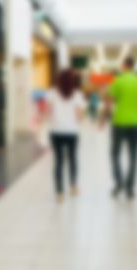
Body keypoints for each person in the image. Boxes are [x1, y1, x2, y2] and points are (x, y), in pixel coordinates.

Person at [104, 57, 137, 199]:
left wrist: (105, 116)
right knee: (134, 156)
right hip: (135, 122)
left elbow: (109, 102)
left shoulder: (118, 80)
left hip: (119, 122)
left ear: (124, 66)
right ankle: (130, 188)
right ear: (133, 66)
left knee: (115, 154)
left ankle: (119, 183)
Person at [46, 69, 86, 203]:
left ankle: (59, 193)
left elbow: (48, 112)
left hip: (56, 131)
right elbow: (80, 116)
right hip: (72, 131)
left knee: (58, 161)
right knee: (73, 158)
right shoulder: (78, 94)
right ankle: (73, 186)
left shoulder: (51, 93)